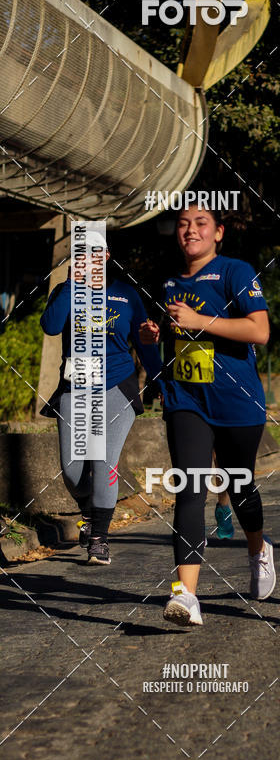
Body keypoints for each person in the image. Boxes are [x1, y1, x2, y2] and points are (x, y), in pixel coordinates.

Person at [139, 206, 274, 627]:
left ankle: (258, 549)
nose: (190, 231)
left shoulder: (236, 271)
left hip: (236, 401)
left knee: (240, 483)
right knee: (190, 488)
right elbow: (165, 334)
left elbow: (260, 331)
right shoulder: (168, 281)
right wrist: (153, 336)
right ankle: (187, 596)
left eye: (200, 224)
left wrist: (201, 321)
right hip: (186, 400)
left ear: (218, 233)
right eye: (183, 225)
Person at [40, 234, 163, 565]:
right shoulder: (67, 291)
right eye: (80, 254)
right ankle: (88, 510)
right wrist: (71, 284)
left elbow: (145, 341)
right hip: (76, 385)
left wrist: (160, 380)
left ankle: (99, 540)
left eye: (94, 253)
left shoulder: (126, 294)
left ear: (107, 255)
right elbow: (51, 327)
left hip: (117, 386)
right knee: (72, 471)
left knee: (104, 462)